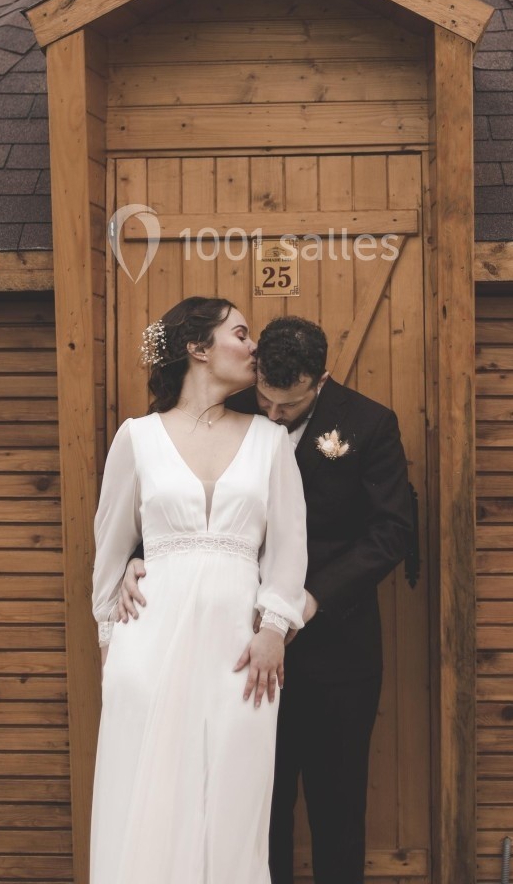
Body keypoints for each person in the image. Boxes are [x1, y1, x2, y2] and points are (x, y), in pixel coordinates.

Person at [118, 315, 413, 884]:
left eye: (289, 407)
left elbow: (392, 532)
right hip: (237, 650)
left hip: (338, 653)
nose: (273, 417)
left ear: (321, 380)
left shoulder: (371, 424)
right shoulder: (237, 413)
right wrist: (136, 555)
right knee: (254, 809)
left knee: (338, 809)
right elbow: (178, 497)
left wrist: (305, 603)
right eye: (267, 402)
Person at [90, 297, 308, 884]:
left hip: (242, 655)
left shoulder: (270, 440)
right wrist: (113, 649)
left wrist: (273, 629)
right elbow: (109, 551)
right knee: (147, 795)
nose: (254, 346)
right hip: (148, 645)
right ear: (198, 348)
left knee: (234, 800)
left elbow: (289, 548)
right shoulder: (136, 439)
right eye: (241, 333)